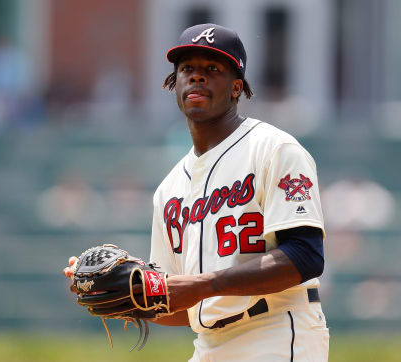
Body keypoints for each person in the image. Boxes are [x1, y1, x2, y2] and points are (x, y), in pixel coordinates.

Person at [65, 23, 329, 361]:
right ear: (174, 84)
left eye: (212, 69)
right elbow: (176, 305)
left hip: (277, 333)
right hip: (208, 345)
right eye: (187, 68)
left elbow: (306, 257)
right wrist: (126, 296)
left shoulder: (274, 149)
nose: (197, 77)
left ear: (236, 88)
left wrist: (201, 286)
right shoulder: (169, 189)